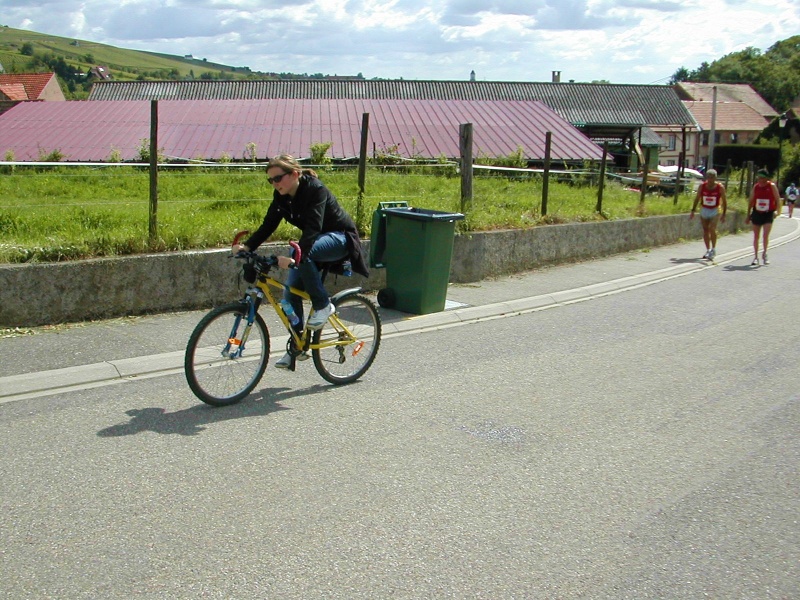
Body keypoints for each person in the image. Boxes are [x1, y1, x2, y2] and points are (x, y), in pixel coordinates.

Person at [237, 154, 369, 368]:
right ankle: (297, 346)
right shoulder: (281, 197)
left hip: (341, 238)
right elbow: (268, 225)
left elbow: (313, 228)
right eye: (270, 180)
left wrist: (293, 257)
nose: (274, 183)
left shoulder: (315, 190)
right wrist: (248, 246)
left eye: (278, 178)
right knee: (289, 296)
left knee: (299, 250)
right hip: (314, 243)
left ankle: (323, 305)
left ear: (294, 174)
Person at [745, 169, 781, 266]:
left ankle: (765, 253)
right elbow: (751, 201)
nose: (760, 180)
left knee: (765, 235)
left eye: (762, 178)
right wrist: (748, 215)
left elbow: (778, 199)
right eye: (759, 178)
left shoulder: (771, 186)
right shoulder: (756, 187)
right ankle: (755, 257)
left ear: (766, 178)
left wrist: (777, 211)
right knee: (756, 236)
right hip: (757, 212)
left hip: (768, 213)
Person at [690, 168, 727, 259]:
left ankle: (713, 249)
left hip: (715, 209)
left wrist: (724, 214)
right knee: (705, 230)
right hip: (704, 209)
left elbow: (725, 201)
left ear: (715, 178)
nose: (710, 180)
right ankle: (708, 250)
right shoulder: (702, 186)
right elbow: (697, 198)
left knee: (712, 228)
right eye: (709, 177)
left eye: (712, 177)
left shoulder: (720, 187)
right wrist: (693, 211)